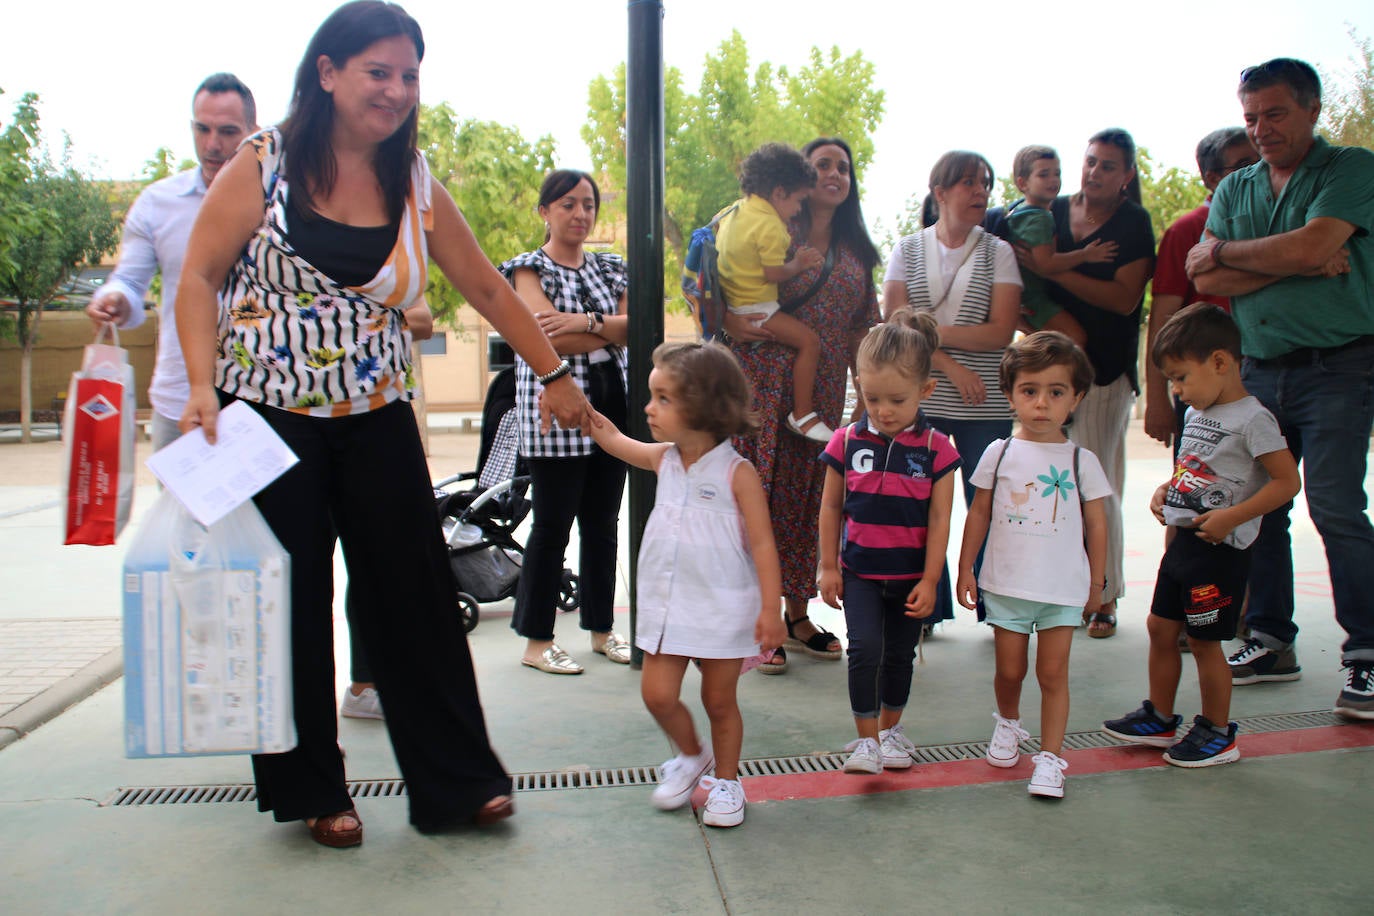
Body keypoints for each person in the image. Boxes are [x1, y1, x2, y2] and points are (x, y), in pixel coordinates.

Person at [175, 0, 591, 847]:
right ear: (327, 72)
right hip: (268, 416)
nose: (396, 90)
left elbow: (485, 288)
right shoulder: (263, 164)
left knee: (418, 594)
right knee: (290, 599)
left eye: (408, 75)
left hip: (376, 415)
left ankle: (459, 782)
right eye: (378, 71)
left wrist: (551, 374)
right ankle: (312, 790)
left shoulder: (415, 180)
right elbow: (197, 277)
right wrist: (200, 391)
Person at [1184, 57, 1374, 718]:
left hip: (1340, 366)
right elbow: (1203, 277)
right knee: (1258, 506)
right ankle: (1269, 638)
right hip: (1260, 370)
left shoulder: (1350, 169)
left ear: (1312, 109)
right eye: (1250, 117)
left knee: (1335, 506)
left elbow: (1304, 244)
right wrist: (1294, 258)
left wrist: (1238, 252)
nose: (1261, 129)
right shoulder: (1237, 187)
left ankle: (1369, 657)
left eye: (1275, 114)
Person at [586, 341, 784, 828]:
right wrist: (577, 404)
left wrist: (770, 610)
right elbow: (611, 439)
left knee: (719, 702)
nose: (649, 408)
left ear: (704, 405)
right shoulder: (664, 459)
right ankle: (693, 756)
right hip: (668, 606)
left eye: (663, 398)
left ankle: (729, 784)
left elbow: (763, 546)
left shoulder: (738, 474)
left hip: (721, 609)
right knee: (656, 694)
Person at [1105, 304, 1300, 765]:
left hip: (1220, 552)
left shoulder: (1254, 419)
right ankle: (1160, 715)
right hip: (1184, 543)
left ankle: (1217, 730)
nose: (1176, 389)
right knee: (1160, 627)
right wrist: (1164, 490)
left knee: (1206, 641)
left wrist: (1233, 517)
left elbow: (1287, 482)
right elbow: (1193, 469)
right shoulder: (1198, 413)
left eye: (1180, 377)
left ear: (1220, 362)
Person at [725, 137, 882, 674]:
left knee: (807, 498)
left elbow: (865, 323)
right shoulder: (767, 222)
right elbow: (712, 284)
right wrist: (726, 321)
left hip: (819, 393)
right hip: (757, 378)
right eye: (823, 165)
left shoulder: (858, 249)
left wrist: (868, 387)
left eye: (844, 166)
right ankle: (751, 622)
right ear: (799, 180)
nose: (834, 173)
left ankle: (796, 614)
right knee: (753, 493)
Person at [957, 332, 1110, 798]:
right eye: (1030, 391)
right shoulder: (998, 452)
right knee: (1009, 671)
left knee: (1052, 675)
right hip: (1006, 585)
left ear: (1076, 398)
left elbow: (1097, 525)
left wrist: (1097, 582)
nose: (1042, 403)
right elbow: (978, 512)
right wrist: (965, 568)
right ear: (1011, 395)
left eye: (1056, 392)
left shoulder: (1082, 460)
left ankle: (1050, 759)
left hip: (1062, 589)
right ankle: (1008, 723)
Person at [1025, 128, 1156, 639]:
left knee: (1098, 488)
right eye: (1090, 161)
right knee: (1052, 492)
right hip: (1048, 373)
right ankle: (1062, 591)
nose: (1094, 172)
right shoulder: (1052, 211)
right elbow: (1025, 276)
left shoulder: (1133, 222)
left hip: (1102, 372)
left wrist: (1055, 271)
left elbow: (1124, 299)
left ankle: (1104, 593)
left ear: (1126, 177)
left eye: (1107, 166)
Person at [501, 169, 631, 675]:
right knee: (552, 524)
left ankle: (601, 631)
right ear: (545, 212)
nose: (580, 214)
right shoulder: (527, 269)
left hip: (610, 400)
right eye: (567, 204)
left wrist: (582, 322)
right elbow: (541, 337)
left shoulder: (612, 268)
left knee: (603, 522)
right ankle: (537, 641)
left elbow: (635, 325)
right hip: (553, 407)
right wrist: (607, 331)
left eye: (588, 205)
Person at [882, 151, 1021, 626]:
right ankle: (927, 606)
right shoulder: (907, 249)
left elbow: (1000, 332)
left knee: (989, 502)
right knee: (917, 500)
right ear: (939, 192)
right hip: (924, 395)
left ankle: (994, 603)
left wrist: (930, 335)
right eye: (967, 182)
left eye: (984, 182)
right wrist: (950, 366)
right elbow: (895, 322)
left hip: (984, 400)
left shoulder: (998, 251)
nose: (980, 191)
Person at [818, 310, 960, 774]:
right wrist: (828, 566)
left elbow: (941, 516)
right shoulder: (845, 441)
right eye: (871, 396)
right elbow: (831, 508)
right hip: (859, 573)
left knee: (900, 656)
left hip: (910, 577)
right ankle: (866, 742)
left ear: (925, 390)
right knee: (863, 651)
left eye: (897, 399)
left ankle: (891, 732)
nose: (882, 409)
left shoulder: (938, 448)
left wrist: (932, 578)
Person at [85, 73, 257, 450]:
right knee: (180, 511)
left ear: (253, 132)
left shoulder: (283, 203)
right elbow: (129, 282)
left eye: (228, 131)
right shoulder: (158, 203)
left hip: (266, 400)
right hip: (181, 402)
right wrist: (114, 297)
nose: (212, 144)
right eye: (202, 129)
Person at [1144, 128, 1257, 452]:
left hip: (1260, 373)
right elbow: (1164, 318)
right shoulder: (1186, 230)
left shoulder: (1268, 223)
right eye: (1245, 165)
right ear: (1211, 178)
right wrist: (1157, 398)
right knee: (1199, 480)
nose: (1257, 172)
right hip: (1203, 380)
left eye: (1260, 162)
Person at [715, 142, 828, 441]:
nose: (798, 209)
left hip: (736, 304)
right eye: (798, 200)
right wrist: (799, 264)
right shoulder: (771, 227)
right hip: (758, 308)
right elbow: (773, 272)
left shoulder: (731, 212)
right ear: (779, 193)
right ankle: (803, 413)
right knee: (810, 343)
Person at [984, 145, 1119, 348]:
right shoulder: (1038, 218)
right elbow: (1045, 264)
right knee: (1075, 339)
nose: (1053, 180)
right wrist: (1085, 255)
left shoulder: (1019, 211)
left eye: (1057, 173)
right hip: (1031, 297)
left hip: (1021, 295)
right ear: (1022, 183)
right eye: (1043, 175)